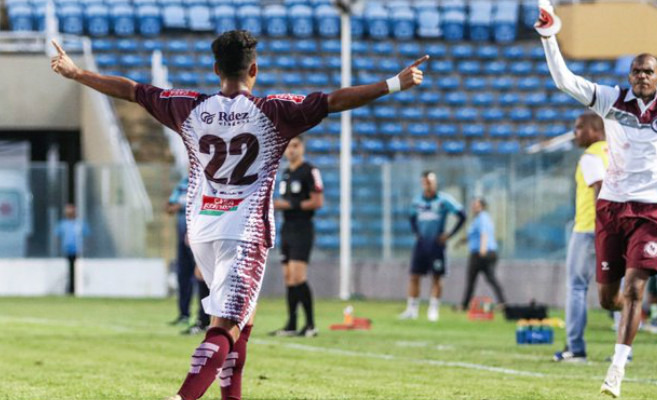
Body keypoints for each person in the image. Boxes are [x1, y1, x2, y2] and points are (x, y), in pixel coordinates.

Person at [51, 30, 428, 400]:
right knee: (227, 325)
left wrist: (76, 72)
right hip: (244, 231)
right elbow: (334, 101)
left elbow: (132, 90)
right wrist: (394, 82)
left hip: (201, 228)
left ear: (216, 69)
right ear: (254, 71)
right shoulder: (275, 112)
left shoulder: (188, 106)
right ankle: (183, 397)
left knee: (242, 320)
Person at [538, 7, 657, 397]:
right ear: (629, 78)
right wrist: (548, 38)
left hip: (653, 211)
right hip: (612, 207)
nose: (642, 76)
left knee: (634, 290)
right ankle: (625, 323)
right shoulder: (612, 101)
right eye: (637, 71)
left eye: (649, 71)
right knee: (609, 297)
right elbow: (564, 81)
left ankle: (617, 367)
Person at [553, 112, 608, 363]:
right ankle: (622, 353)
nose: (575, 133)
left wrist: (601, 227)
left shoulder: (591, 156)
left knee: (576, 287)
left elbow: (600, 189)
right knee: (618, 289)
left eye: (579, 128)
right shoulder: (618, 153)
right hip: (615, 231)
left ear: (595, 130)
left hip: (588, 229)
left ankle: (575, 348)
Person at [270, 136, 323, 337]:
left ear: (302, 148)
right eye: (288, 146)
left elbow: (317, 202)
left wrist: (288, 205)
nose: (291, 150)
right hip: (287, 228)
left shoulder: (310, 171)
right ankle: (291, 324)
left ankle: (310, 324)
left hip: (303, 228)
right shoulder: (285, 174)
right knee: (289, 278)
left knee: (298, 276)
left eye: (295, 146)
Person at [400, 171, 466, 322]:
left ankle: (433, 309)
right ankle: (412, 309)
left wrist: (449, 235)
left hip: (436, 245)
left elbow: (462, 215)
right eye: (425, 182)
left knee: (437, 277)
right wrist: (416, 233)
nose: (428, 185)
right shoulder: (417, 201)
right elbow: (411, 218)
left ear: (435, 183)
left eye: (431, 182)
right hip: (421, 244)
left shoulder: (444, 201)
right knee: (414, 276)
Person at [459, 198, 503, 311]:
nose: (473, 207)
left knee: (476, 279)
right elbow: (474, 235)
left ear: (482, 207)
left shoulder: (482, 218)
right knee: (489, 278)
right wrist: (463, 241)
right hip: (484, 253)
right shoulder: (477, 219)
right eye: (473, 205)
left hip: (482, 253)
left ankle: (464, 305)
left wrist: (482, 250)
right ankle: (502, 302)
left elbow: (484, 234)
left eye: (476, 205)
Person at [166, 176, 197, 327]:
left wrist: (183, 205)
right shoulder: (183, 183)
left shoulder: (207, 181)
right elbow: (169, 207)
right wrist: (174, 207)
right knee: (183, 275)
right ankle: (184, 314)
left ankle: (204, 317)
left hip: (198, 237)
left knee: (202, 276)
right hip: (182, 237)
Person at [54, 203, 89, 295]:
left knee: (76, 272)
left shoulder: (79, 224)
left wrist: (86, 249)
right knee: (68, 272)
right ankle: (69, 289)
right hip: (66, 251)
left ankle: (75, 289)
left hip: (78, 252)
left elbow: (87, 237)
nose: (69, 213)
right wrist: (56, 250)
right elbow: (57, 237)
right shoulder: (63, 224)